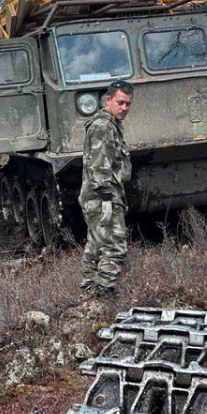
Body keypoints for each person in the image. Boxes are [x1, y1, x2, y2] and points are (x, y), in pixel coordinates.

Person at [80, 80, 134, 301]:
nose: (124, 108)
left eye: (128, 104)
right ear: (108, 100)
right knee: (114, 248)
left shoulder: (109, 124)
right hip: (103, 198)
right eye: (120, 102)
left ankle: (88, 293)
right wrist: (107, 199)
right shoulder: (103, 126)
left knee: (96, 246)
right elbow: (99, 164)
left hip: (97, 198)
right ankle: (104, 296)